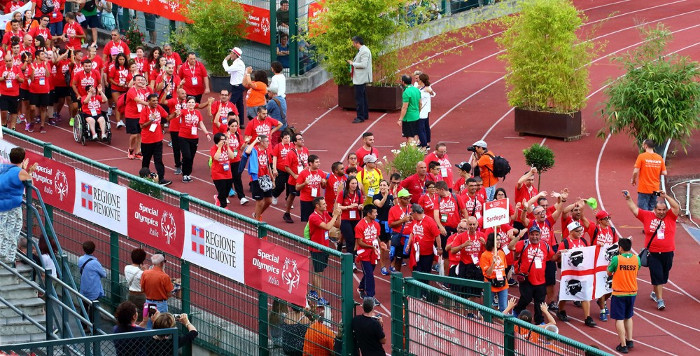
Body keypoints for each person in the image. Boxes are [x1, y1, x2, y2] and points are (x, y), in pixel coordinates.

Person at [623, 189, 678, 310]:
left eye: (664, 210)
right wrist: (628, 199)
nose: (661, 212)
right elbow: (634, 209)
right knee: (657, 276)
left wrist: (666, 196)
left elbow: (676, 206)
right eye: (659, 210)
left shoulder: (671, 216)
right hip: (653, 253)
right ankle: (660, 300)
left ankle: (654, 293)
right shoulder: (647, 216)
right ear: (654, 209)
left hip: (668, 252)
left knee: (663, 277)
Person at [554, 221, 597, 327]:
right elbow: (557, 260)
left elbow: (589, 253)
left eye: (581, 230)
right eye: (577, 231)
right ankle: (561, 310)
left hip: (582, 273)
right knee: (566, 294)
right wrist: (561, 254)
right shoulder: (565, 243)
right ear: (571, 231)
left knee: (585, 294)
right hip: (569, 274)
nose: (580, 233)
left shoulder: (583, 241)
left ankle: (587, 317)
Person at [510, 225, 554, 325]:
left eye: (537, 235)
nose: (535, 237)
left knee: (540, 302)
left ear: (540, 235)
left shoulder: (545, 245)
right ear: (529, 235)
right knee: (526, 298)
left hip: (541, 280)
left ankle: (539, 320)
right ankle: (517, 310)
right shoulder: (523, 243)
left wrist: (561, 254)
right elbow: (510, 247)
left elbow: (553, 257)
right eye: (532, 234)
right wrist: (518, 236)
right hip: (526, 279)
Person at [0, 148, 36, 264]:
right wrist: (28, 171)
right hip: (12, 206)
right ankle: (8, 260)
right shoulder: (20, 172)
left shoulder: (4, 168)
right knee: (13, 232)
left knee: (3, 230)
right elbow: (31, 183)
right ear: (23, 159)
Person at [607, 237, 639, 354]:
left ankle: (623, 345)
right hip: (632, 292)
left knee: (619, 319)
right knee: (628, 316)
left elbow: (609, 272)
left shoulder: (616, 259)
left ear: (620, 248)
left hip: (619, 293)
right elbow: (638, 269)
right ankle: (629, 340)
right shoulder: (636, 258)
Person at [307, 197, 342, 306]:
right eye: (324, 204)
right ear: (317, 206)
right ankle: (319, 297)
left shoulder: (325, 213)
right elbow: (327, 227)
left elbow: (337, 225)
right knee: (318, 273)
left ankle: (313, 291)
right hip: (317, 249)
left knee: (319, 271)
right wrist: (335, 215)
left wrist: (339, 215)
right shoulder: (313, 217)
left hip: (325, 247)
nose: (326, 205)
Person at [140, 93, 173, 186]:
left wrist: (175, 114)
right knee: (146, 160)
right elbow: (142, 125)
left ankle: (161, 179)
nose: (156, 102)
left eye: (157, 100)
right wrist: (151, 120)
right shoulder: (145, 111)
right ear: (148, 101)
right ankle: (144, 178)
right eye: (153, 101)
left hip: (158, 139)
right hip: (147, 141)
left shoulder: (159, 108)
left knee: (158, 160)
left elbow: (168, 117)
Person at [178, 96, 212, 183]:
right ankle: (184, 174)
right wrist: (177, 113)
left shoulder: (197, 112)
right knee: (187, 156)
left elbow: (201, 124)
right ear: (186, 103)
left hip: (194, 138)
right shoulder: (184, 111)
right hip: (183, 137)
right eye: (189, 102)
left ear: (195, 104)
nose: (191, 104)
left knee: (191, 157)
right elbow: (178, 114)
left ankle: (188, 174)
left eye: (193, 102)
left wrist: (207, 133)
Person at [451, 216, 485, 301]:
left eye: (474, 224)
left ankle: (471, 311)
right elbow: (452, 250)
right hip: (465, 266)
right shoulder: (461, 236)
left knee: (475, 292)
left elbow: (489, 251)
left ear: (477, 225)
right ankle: (463, 311)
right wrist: (463, 245)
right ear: (467, 225)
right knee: (463, 292)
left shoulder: (482, 236)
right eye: (470, 224)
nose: (472, 226)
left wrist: (485, 243)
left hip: (477, 267)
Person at [244, 135, 274, 221]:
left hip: (266, 178)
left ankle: (257, 214)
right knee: (260, 201)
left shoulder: (267, 151)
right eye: (267, 141)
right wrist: (255, 141)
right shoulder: (254, 150)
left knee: (269, 201)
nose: (268, 143)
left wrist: (272, 178)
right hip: (256, 178)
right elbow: (247, 151)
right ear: (262, 142)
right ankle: (257, 221)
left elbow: (268, 165)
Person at [631, 139, 667, 211]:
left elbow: (635, 171)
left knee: (643, 211)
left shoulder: (642, 156)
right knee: (652, 209)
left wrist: (633, 180)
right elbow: (664, 172)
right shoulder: (659, 158)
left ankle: (647, 222)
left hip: (644, 188)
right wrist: (654, 169)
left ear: (646, 146)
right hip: (655, 189)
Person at [78, 240, 106, 332]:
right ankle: (93, 327)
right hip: (94, 289)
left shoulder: (81, 259)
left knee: (84, 307)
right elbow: (104, 274)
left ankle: (84, 326)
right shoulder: (95, 263)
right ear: (94, 250)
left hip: (84, 288)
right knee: (93, 309)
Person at [337, 176, 362, 270]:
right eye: (352, 183)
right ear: (348, 184)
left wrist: (360, 207)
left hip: (356, 219)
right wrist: (349, 207)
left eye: (355, 183)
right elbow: (339, 207)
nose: (354, 185)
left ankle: (352, 258)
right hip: (346, 219)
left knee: (357, 240)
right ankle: (351, 262)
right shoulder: (342, 193)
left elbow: (361, 204)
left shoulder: (358, 193)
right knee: (350, 240)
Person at [141, 253, 173, 326]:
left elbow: (142, 289)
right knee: (162, 325)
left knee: (149, 326)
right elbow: (169, 293)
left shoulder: (145, 273)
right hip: (161, 304)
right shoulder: (165, 277)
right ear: (162, 263)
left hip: (148, 302)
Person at [407, 203, 441, 273]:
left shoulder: (430, 221)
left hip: (427, 253)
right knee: (415, 272)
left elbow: (437, 235)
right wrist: (408, 245)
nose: (410, 215)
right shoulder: (414, 221)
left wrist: (439, 248)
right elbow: (412, 233)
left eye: (411, 213)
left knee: (425, 273)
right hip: (415, 252)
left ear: (415, 213)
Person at [283, 132, 309, 223]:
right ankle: (287, 213)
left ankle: (308, 214)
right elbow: (286, 166)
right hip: (294, 180)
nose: (302, 140)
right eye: (300, 139)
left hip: (305, 178)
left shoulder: (305, 150)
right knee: (292, 195)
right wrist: (294, 175)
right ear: (294, 142)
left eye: (302, 138)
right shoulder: (291, 153)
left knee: (307, 195)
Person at [480, 232, 509, 311]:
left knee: (504, 308)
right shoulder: (485, 255)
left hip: (502, 284)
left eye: (500, 240)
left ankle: (503, 323)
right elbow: (487, 273)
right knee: (487, 308)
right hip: (490, 284)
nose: (499, 242)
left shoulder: (502, 253)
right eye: (497, 240)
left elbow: (504, 268)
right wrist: (493, 263)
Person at [124, 75, 150, 159]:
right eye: (138, 80)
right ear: (134, 82)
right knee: (134, 134)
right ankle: (131, 149)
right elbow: (137, 100)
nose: (141, 81)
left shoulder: (143, 90)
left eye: (142, 80)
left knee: (140, 134)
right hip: (131, 115)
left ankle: (138, 151)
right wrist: (147, 104)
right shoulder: (131, 90)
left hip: (141, 115)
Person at [225, 119, 251, 205]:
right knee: (227, 178)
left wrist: (246, 142)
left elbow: (241, 148)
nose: (234, 128)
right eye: (232, 126)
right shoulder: (225, 136)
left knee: (237, 178)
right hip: (227, 160)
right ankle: (223, 196)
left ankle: (242, 197)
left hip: (236, 160)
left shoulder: (238, 136)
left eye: (236, 126)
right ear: (228, 126)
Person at [373, 179, 396, 275]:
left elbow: (395, 208)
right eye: (381, 185)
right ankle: (382, 266)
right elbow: (380, 205)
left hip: (390, 224)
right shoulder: (376, 196)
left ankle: (392, 265)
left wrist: (394, 197)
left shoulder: (391, 197)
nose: (382, 187)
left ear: (387, 186)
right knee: (382, 246)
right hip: (381, 224)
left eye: (384, 185)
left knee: (393, 245)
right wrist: (386, 195)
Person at [347, 36, 372, 123]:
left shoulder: (364, 51)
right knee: (363, 97)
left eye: (353, 43)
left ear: (357, 43)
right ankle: (364, 114)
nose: (353, 45)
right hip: (361, 77)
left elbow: (363, 64)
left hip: (361, 78)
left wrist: (352, 63)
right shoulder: (363, 50)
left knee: (359, 98)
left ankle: (360, 116)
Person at [296, 155, 326, 222]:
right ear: (310, 163)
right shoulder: (303, 173)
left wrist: (324, 183)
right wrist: (304, 183)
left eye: (319, 162)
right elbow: (297, 187)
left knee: (318, 219)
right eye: (316, 162)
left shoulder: (321, 173)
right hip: (306, 200)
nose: (319, 163)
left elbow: (323, 187)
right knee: (308, 221)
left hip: (317, 200)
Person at [388, 189, 412, 272]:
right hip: (399, 237)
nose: (408, 200)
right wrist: (402, 220)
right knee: (398, 258)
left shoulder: (412, 207)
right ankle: (397, 277)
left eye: (409, 198)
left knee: (413, 259)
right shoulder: (393, 209)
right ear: (399, 199)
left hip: (411, 237)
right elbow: (390, 224)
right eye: (405, 198)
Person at [210, 133, 236, 208]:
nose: (224, 141)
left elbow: (232, 157)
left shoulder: (227, 147)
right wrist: (219, 148)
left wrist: (227, 147)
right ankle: (224, 207)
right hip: (218, 173)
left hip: (227, 173)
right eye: (222, 139)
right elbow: (216, 158)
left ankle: (218, 198)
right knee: (222, 190)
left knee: (227, 190)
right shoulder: (213, 148)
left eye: (225, 139)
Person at [0, 53, 24, 131]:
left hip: (14, 94)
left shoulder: (17, 69)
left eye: (10, 60)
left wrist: (18, 78)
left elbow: (22, 80)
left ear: (12, 60)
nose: (8, 62)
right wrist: (4, 78)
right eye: (7, 61)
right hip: (4, 93)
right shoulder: (1, 68)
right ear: (4, 61)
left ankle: (13, 127)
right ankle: (4, 124)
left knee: (14, 111)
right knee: (4, 110)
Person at [223, 47, 245, 124]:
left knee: (230, 104)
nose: (230, 55)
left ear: (235, 55)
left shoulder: (238, 63)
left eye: (232, 53)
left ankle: (226, 120)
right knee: (240, 105)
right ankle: (241, 123)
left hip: (237, 86)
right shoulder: (236, 63)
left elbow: (227, 69)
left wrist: (225, 60)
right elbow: (230, 71)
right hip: (237, 86)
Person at [125, 248, 147, 322]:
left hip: (130, 294)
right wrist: (145, 271)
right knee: (140, 318)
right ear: (142, 260)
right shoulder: (142, 273)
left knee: (131, 314)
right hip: (141, 296)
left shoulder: (126, 268)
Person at [396, 74, 420, 143]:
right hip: (416, 115)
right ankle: (416, 151)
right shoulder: (416, 90)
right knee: (415, 134)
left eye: (401, 81)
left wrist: (400, 119)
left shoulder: (406, 92)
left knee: (409, 136)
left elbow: (404, 107)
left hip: (409, 118)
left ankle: (411, 152)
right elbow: (420, 103)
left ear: (403, 82)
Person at [416, 73, 435, 148]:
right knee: (425, 126)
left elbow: (432, 94)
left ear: (421, 80)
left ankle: (424, 144)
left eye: (418, 79)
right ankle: (426, 142)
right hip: (424, 110)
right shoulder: (422, 88)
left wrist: (430, 91)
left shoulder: (425, 90)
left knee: (421, 128)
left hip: (422, 111)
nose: (417, 80)